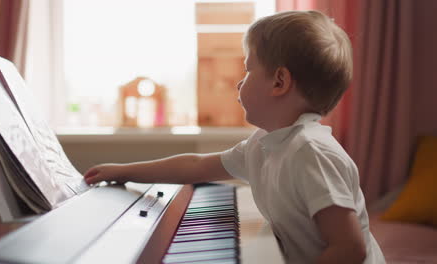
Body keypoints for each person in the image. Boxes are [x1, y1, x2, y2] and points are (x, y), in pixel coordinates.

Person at [84, 10, 385, 263]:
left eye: (248, 69)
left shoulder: (311, 152)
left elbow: (350, 248)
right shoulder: (264, 144)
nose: (240, 81)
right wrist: (124, 171)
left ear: (279, 82)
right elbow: (197, 166)